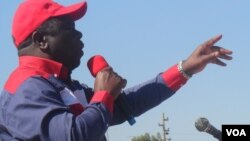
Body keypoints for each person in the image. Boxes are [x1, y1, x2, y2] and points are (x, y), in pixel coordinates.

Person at [0, 0, 232, 141]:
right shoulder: (25, 88)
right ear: (41, 40)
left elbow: (126, 105)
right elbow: (73, 137)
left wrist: (186, 68)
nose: (80, 35)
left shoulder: (63, 85)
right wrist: (103, 96)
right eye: (70, 29)